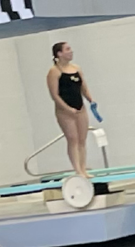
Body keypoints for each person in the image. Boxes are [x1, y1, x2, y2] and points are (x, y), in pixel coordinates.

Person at [48, 42, 98, 178]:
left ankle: (83, 169)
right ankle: (77, 171)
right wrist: (67, 108)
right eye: (68, 49)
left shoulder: (76, 68)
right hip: (64, 111)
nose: (71, 51)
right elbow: (54, 95)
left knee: (82, 139)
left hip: (80, 108)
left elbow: (84, 87)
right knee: (73, 139)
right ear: (59, 54)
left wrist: (90, 100)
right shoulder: (54, 71)